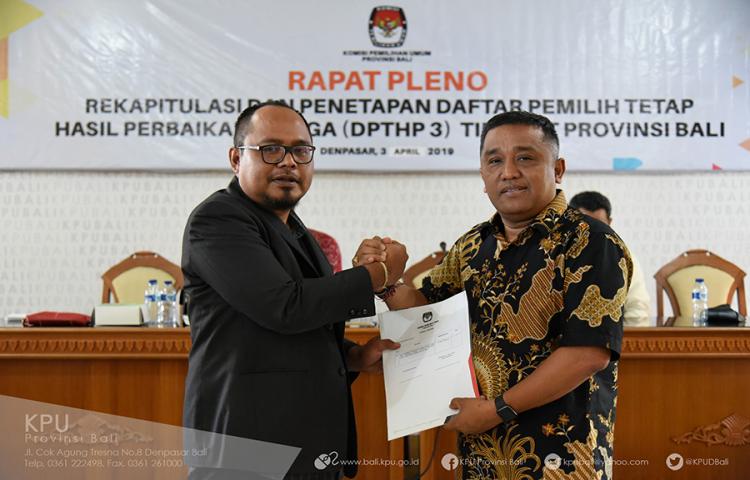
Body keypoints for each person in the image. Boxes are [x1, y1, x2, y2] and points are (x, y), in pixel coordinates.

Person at [355, 111, 631, 479]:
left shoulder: (591, 241)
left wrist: (498, 409)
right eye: (495, 161)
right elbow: (427, 314)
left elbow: (587, 354)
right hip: (482, 454)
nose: (509, 172)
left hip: (562, 456)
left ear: (558, 169)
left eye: (525, 158)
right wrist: (385, 282)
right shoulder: (473, 244)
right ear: (483, 175)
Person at [181, 101, 406, 479]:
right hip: (247, 449)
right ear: (236, 159)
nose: (288, 162)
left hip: (306, 448)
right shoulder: (218, 219)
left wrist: (352, 357)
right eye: (271, 149)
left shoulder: (294, 228)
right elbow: (284, 307)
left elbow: (291, 329)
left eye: (301, 151)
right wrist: (377, 275)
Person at [569, 191, 651, 326]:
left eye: (600, 225)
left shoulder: (625, 258)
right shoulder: (556, 256)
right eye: (586, 225)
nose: (593, 233)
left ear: (610, 223)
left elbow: (637, 312)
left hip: (614, 337)